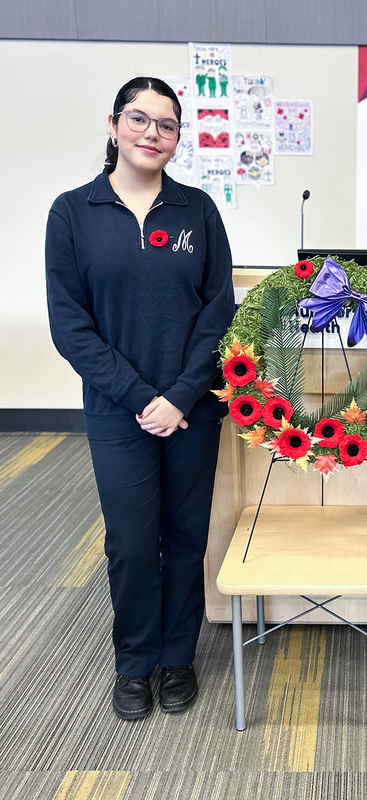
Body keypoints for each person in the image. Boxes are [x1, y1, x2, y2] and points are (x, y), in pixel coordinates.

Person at [45, 77, 235, 720]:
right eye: (140, 119)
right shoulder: (73, 212)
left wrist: (180, 396)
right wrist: (139, 397)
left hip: (192, 410)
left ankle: (177, 658)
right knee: (130, 543)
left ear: (179, 137)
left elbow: (219, 314)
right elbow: (70, 325)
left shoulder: (197, 210)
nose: (153, 133)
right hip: (117, 411)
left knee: (185, 538)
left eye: (167, 124)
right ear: (113, 124)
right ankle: (135, 662)